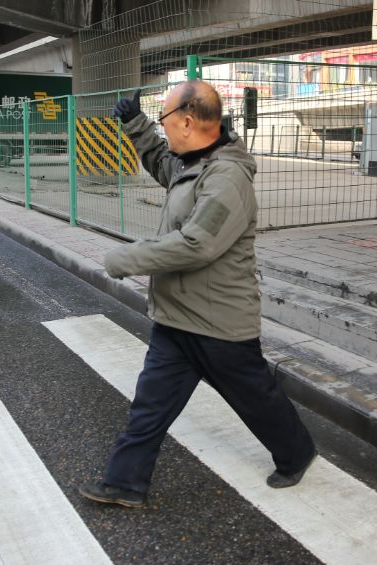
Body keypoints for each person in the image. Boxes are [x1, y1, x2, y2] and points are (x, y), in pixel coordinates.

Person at [78, 81, 316, 508]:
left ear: (188, 121)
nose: (163, 126)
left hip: (218, 322)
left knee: (256, 399)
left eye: (165, 118)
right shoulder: (193, 162)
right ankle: (124, 483)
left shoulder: (226, 176)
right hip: (176, 317)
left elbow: (197, 244)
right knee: (149, 406)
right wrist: (136, 124)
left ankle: (298, 452)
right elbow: (161, 163)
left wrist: (127, 258)